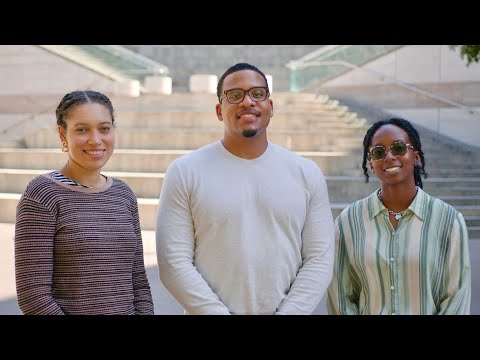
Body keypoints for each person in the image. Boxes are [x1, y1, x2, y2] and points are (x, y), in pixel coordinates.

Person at [155, 63, 335, 315]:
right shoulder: (185, 171)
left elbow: (319, 259)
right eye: (235, 95)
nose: (247, 101)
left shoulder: (306, 173)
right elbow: (173, 261)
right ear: (219, 110)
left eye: (257, 93)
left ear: (270, 107)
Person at [14, 90, 154, 315]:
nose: (95, 139)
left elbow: (138, 282)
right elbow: (34, 295)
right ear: (62, 134)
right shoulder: (42, 195)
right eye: (82, 130)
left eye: (104, 128)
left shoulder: (124, 195)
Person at [327, 117, 471, 315]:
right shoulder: (348, 222)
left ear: (416, 156)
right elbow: (339, 296)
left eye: (399, 148)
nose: (389, 157)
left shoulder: (449, 221)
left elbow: (456, 298)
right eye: (378, 152)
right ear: (371, 163)